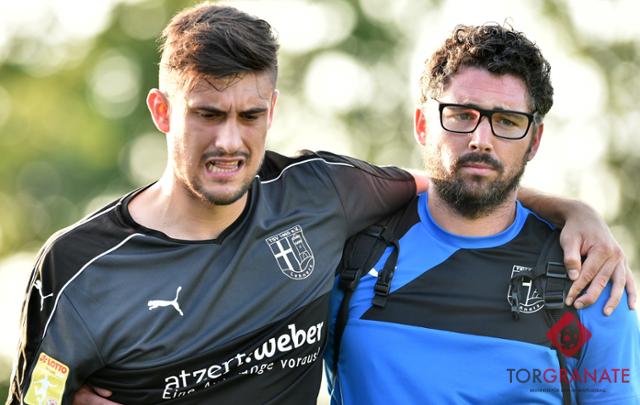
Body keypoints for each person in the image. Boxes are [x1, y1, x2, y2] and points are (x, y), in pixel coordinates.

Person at [5, 4, 633, 405]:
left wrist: (575, 211)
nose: (229, 141)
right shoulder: (77, 268)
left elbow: (464, 179)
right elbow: (39, 397)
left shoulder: (322, 195)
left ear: (272, 111)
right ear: (162, 111)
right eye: (207, 114)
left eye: (250, 115)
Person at [325, 23, 640, 404]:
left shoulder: (588, 283)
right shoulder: (351, 257)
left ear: (534, 141)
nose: (481, 140)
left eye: (506, 121)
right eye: (461, 115)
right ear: (423, 126)